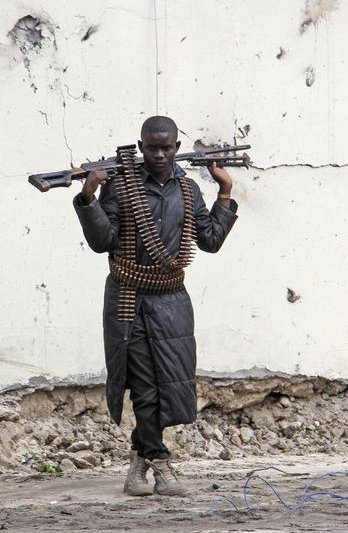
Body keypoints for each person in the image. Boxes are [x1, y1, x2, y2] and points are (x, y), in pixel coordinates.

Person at [73, 115, 238, 496]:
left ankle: (137, 467)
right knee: (145, 388)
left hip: (172, 302)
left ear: (177, 148)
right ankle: (161, 465)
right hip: (129, 298)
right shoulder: (119, 187)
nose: (159, 154)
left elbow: (210, 241)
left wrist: (225, 192)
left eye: (166, 147)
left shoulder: (188, 189)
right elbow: (103, 242)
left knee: (169, 388)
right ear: (141, 146)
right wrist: (89, 198)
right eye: (151, 147)